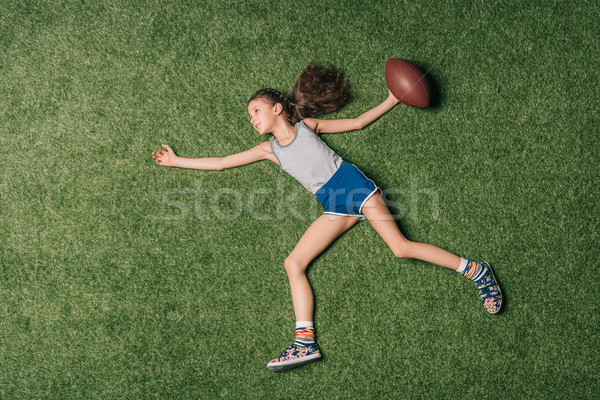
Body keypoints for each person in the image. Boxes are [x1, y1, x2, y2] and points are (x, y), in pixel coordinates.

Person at [151, 64, 503, 372]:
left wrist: (394, 97)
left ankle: (476, 271)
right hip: (333, 205)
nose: (253, 119)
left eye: (257, 110)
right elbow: (222, 162)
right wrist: (177, 161)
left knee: (401, 248)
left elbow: (360, 122)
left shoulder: (307, 126)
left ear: (277, 108)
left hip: (354, 189)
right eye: (250, 116)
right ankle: (305, 342)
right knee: (293, 263)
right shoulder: (268, 151)